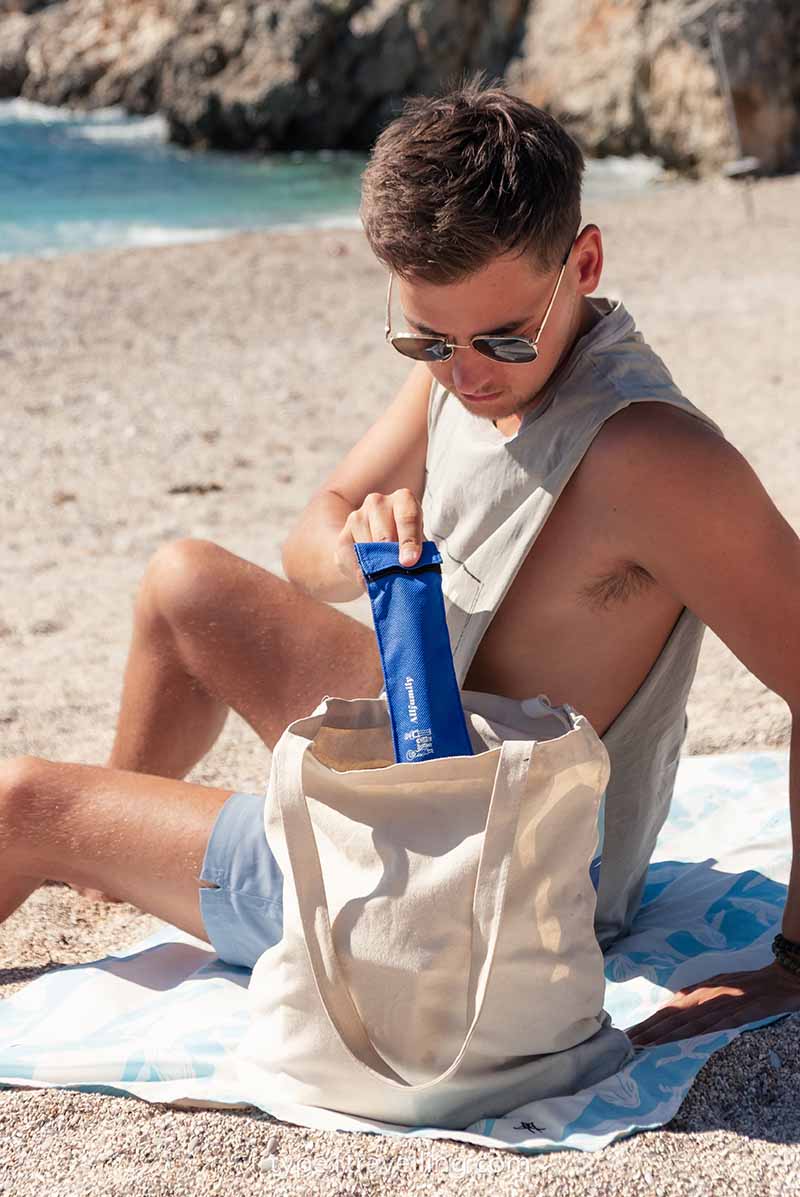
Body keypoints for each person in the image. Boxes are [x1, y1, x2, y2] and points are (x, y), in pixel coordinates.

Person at [2, 75, 800, 1048]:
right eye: (425, 338)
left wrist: (790, 963)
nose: (463, 374)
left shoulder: (650, 457)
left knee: (19, 802)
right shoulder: (468, 374)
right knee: (185, 585)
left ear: (583, 262)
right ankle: (105, 863)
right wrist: (358, 553)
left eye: (498, 337)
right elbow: (310, 543)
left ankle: (83, 837)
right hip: (427, 751)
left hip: (484, 895)